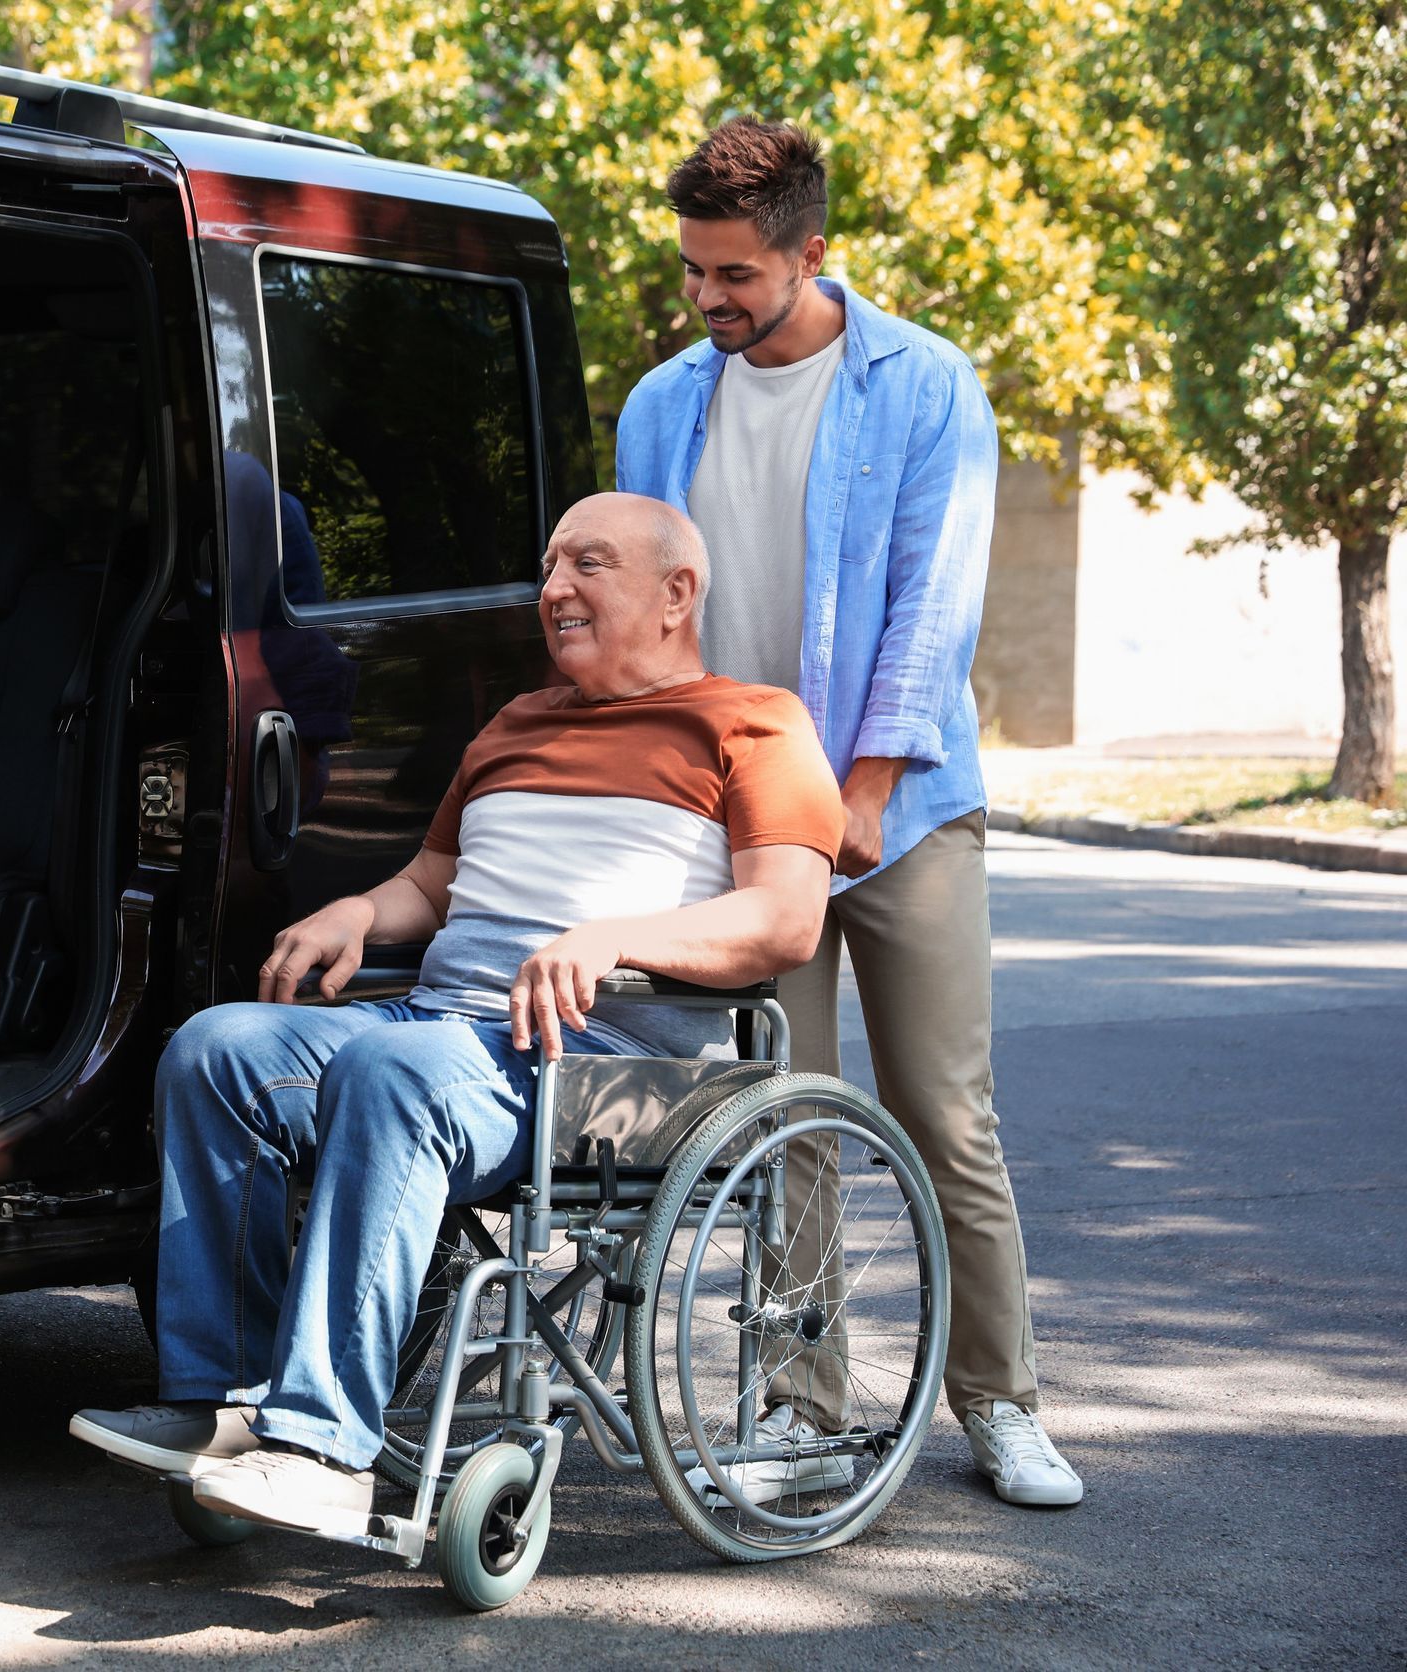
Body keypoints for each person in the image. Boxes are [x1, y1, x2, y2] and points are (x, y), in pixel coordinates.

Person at [69, 491, 845, 1530]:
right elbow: (431, 886)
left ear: (677, 593)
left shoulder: (755, 724)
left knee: (397, 1076)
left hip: (608, 1064)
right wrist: (357, 910)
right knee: (217, 1049)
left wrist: (615, 935)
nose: (554, 588)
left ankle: (324, 1449)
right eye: (551, 566)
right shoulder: (515, 723)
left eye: (588, 565)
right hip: (447, 1031)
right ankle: (228, 1404)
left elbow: (784, 922)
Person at [616, 117, 1083, 1507]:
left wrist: (864, 793)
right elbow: (650, 622)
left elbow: (936, 613)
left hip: (906, 810)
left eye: (736, 277)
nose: (709, 301)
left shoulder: (925, 386)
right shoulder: (662, 405)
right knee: (785, 1116)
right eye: (694, 272)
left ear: (812, 253)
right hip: (747, 821)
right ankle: (802, 1409)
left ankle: (1002, 1405)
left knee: (948, 1113)